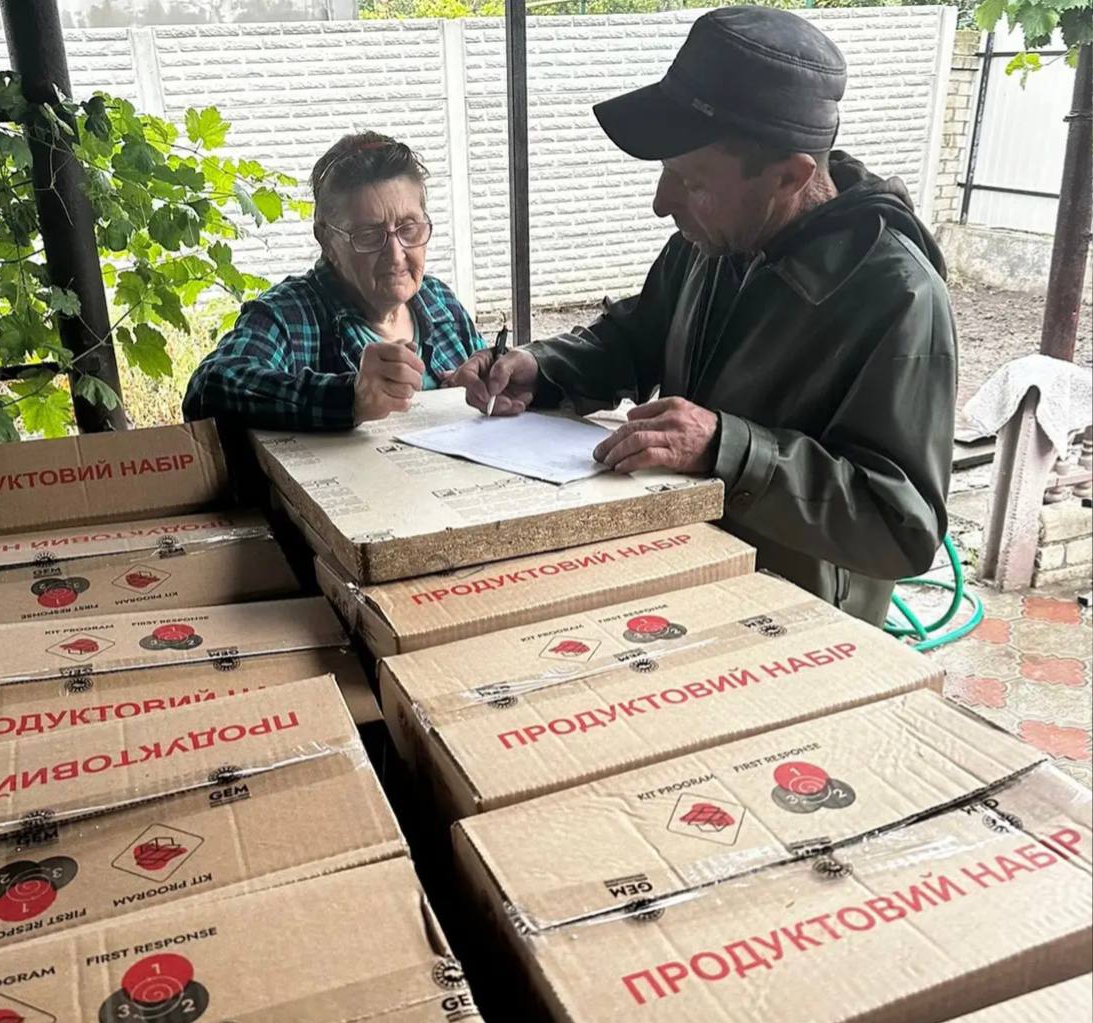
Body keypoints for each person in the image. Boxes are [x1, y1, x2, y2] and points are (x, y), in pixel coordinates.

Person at [451, 7, 956, 627]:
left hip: (797, 624)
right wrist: (543, 367)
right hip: (686, 568)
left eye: (688, 179)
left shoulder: (899, 297)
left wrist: (727, 447)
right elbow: (642, 334)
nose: (662, 204)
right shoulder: (717, 237)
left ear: (790, 176)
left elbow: (902, 527)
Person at [183, 132, 484, 430]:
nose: (396, 255)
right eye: (368, 235)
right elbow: (207, 390)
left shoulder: (439, 302)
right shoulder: (289, 316)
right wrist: (350, 397)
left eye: (409, 228)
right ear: (326, 240)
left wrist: (486, 384)